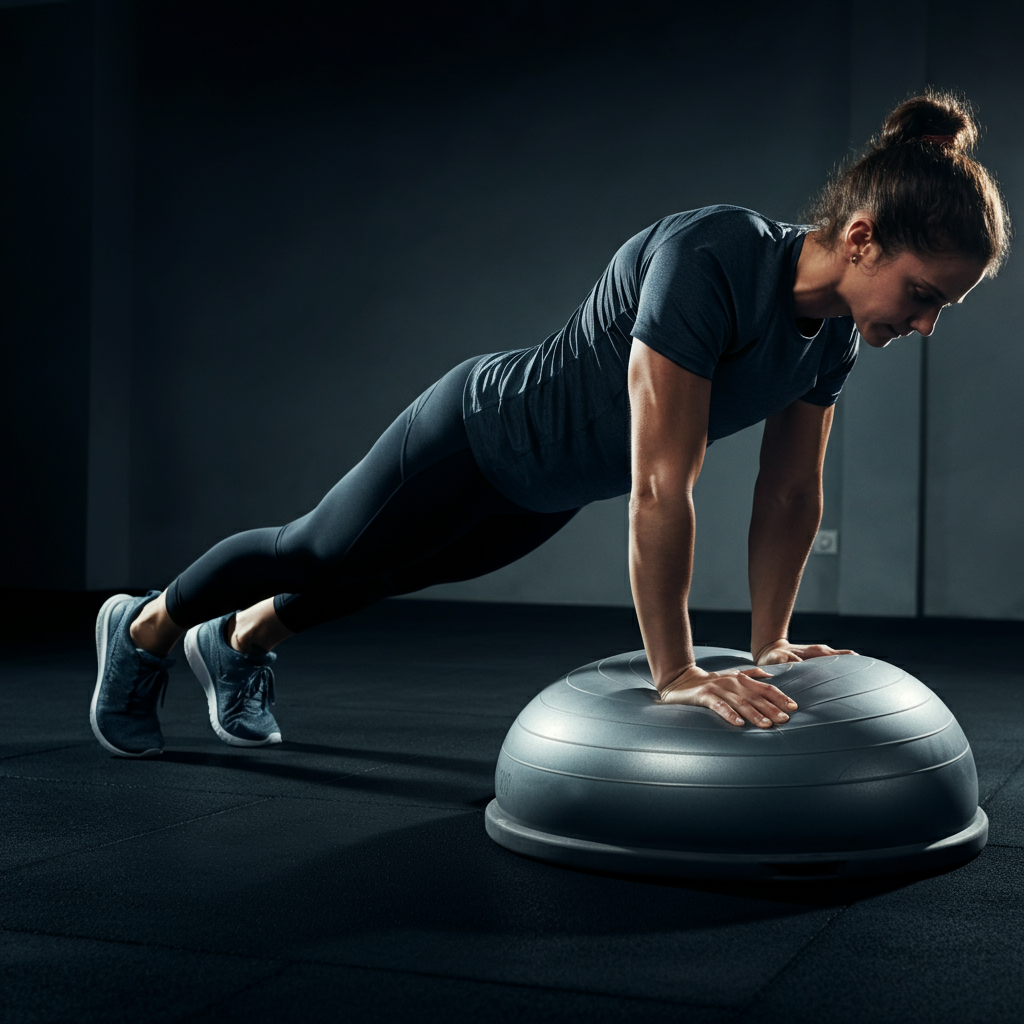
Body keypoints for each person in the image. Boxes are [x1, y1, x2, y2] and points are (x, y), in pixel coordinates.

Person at [90, 91, 1009, 757]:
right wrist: (679, 671)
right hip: (477, 435)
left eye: (944, 309)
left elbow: (789, 492)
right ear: (860, 237)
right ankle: (143, 632)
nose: (924, 324)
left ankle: (237, 643)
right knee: (318, 551)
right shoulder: (713, 259)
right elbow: (661, 482)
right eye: (922, 295)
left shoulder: (835, 337)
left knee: (386, 570)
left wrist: (772, 640)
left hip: (546, 490)